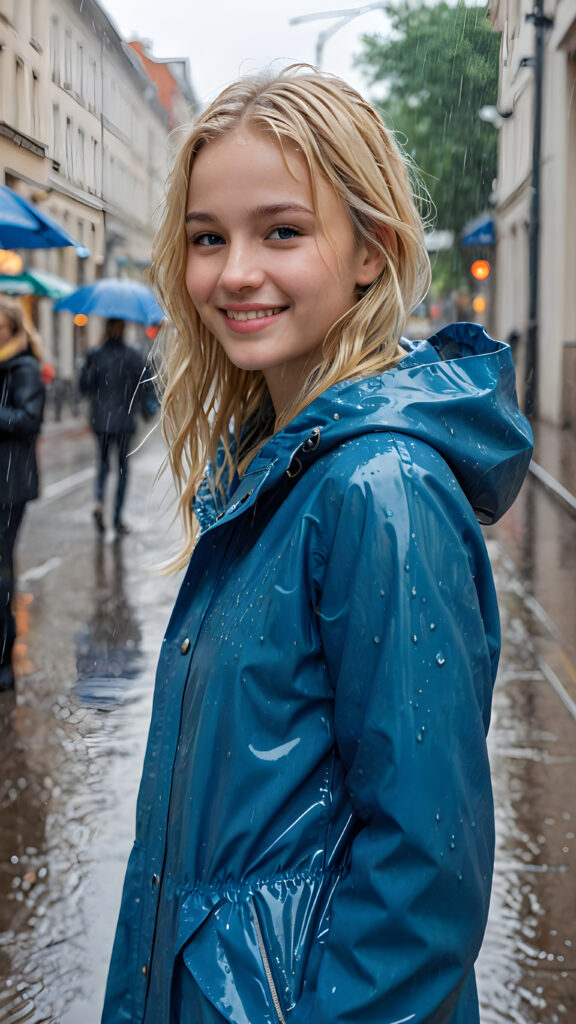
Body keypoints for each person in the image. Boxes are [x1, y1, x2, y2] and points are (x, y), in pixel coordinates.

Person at [101, 67, 533, 1024]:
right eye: (208, 238)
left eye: (282, 231)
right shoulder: (275, 467)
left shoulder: (379, 489)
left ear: (370, 250)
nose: (233, 272)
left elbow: (425, 876)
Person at [0, 297, 45, 691]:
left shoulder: (24, 367)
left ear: (13, 327)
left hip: (9, 484)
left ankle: (4, 658)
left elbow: (29, 420)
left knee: (2, 570)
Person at [79, 318, 146, 536]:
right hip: (125, 421)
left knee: (103, 464)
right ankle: (117, 518)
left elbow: (84, 387)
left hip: (101, 421)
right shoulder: (133, 356)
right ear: (123, 329)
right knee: (122, 469)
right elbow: (145, 385)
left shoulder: (95, 355)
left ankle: (99, 500)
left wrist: (87, 364)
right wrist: (146, 409)